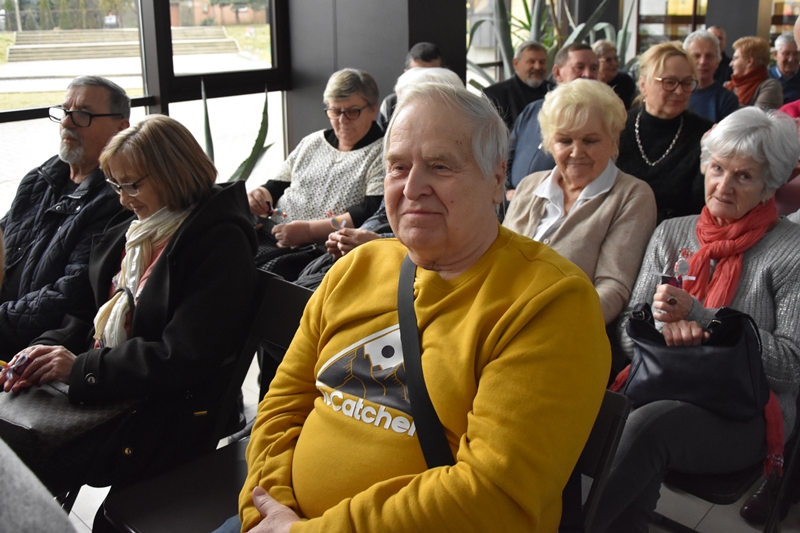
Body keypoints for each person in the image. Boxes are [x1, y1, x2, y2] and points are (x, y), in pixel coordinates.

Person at [228, 83, 610, 533]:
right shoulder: (357, 268)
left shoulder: (551, 303)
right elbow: (282, 405)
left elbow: (494, 496)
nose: (412, 188)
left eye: (440, 166)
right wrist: (264, 510)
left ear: (496, 179)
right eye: (398, 167)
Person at [0, 115, 257, 496]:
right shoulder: (138, 229)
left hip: (162, 412)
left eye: (132, 185)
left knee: (14, 461)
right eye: (115, 185)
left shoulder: (219, 241)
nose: (122, 199)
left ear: (174, 173)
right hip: (118, 390)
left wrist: (80, 368)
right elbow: (86, 311)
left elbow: (185, 356)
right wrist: (44, 349)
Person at [591, 107, 800, 532]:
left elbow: (792, 367)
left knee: (647, 425)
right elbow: (629, 331)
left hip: (745, 411)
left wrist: (705, 320)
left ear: (770, 185)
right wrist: (664, 328)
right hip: (659, 382)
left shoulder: (791, 251)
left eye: (744, 176)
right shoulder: (673, 232)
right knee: (593, 415)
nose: (723, 185)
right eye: (718, 168)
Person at [294, 67, 464, 291]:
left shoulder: (465, 166)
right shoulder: (313, 141)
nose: (410, 188)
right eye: (400, 109)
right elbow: (383, 213)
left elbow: (448, 239)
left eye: (438, 167)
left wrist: (377, 242)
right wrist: (355, 237)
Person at [503, 79, 657, 325]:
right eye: (565, 141)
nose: (576, 152)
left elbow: (613, 288)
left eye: (590, 141)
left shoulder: (631, 196)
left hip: (565, 331)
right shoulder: (528, 186)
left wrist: (549, 328)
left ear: (613, 140)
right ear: (550, 143)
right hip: (500, 319)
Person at [0, 76, 129, 361]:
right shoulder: (38, 180)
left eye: (82, 114)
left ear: (121, 128)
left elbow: (70, 295)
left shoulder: (118, 199)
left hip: (33, 348)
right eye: (65, 111)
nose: (67, 123)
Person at [247, 68, 385, 280]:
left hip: (316, 250)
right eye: (335, 111)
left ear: (373, 109)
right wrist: (260, 195)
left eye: (352, 111)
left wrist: (309, 231)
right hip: (270, 232)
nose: (342, 120)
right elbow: (276, 185)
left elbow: (368, 212)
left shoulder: (382, 152)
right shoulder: (312, 142)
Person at [616, 42, 713, 223]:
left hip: (677, 232)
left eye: (686, 83)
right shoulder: (616, 128)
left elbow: (702, 203)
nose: (679, 91)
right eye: (669, 82)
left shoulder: (705, 135)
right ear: (643, 84)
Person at [506, 43, 599, 196]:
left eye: (594, 68)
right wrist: (507, 191)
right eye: (579, 67)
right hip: (515, 202)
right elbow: (508, 155)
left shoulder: (601, 118)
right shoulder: (533, 110)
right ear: (557, 73)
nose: (588, 74)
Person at [483, 40, 554, 130]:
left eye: (542, 62)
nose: (537, 67)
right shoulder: (494, 95)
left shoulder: (555, 91)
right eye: (531, 62)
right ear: (516, 63)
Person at [377, 42, 445, 131]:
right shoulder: (391, 103)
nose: (426, 79)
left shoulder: (453, 103)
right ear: (406, 74)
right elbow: (382, 138)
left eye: (433, 73)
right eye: (418, 73)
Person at [684, 30, 740, 122]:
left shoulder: (726, 100)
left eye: (709, 56)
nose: (703, 62)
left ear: (717, 62)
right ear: (685, 60)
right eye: (696, 56)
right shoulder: (675, 93)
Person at [726, 36, 783, 110]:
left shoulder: (770, 86)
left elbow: (758, 115)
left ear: (749, 61)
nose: (731, 64)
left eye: (735, 58)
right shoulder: (729, 85)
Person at [592, 39, 636, 109]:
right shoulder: (590, 83)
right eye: (608, 60)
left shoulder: (625, 81)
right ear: (596, 62)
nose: (614, 63)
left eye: (616, 59)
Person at [769, 32, 800, 104]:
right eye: (786, 54)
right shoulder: (765, 77)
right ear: (775, 54)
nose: (791, 59)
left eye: (796, 53)